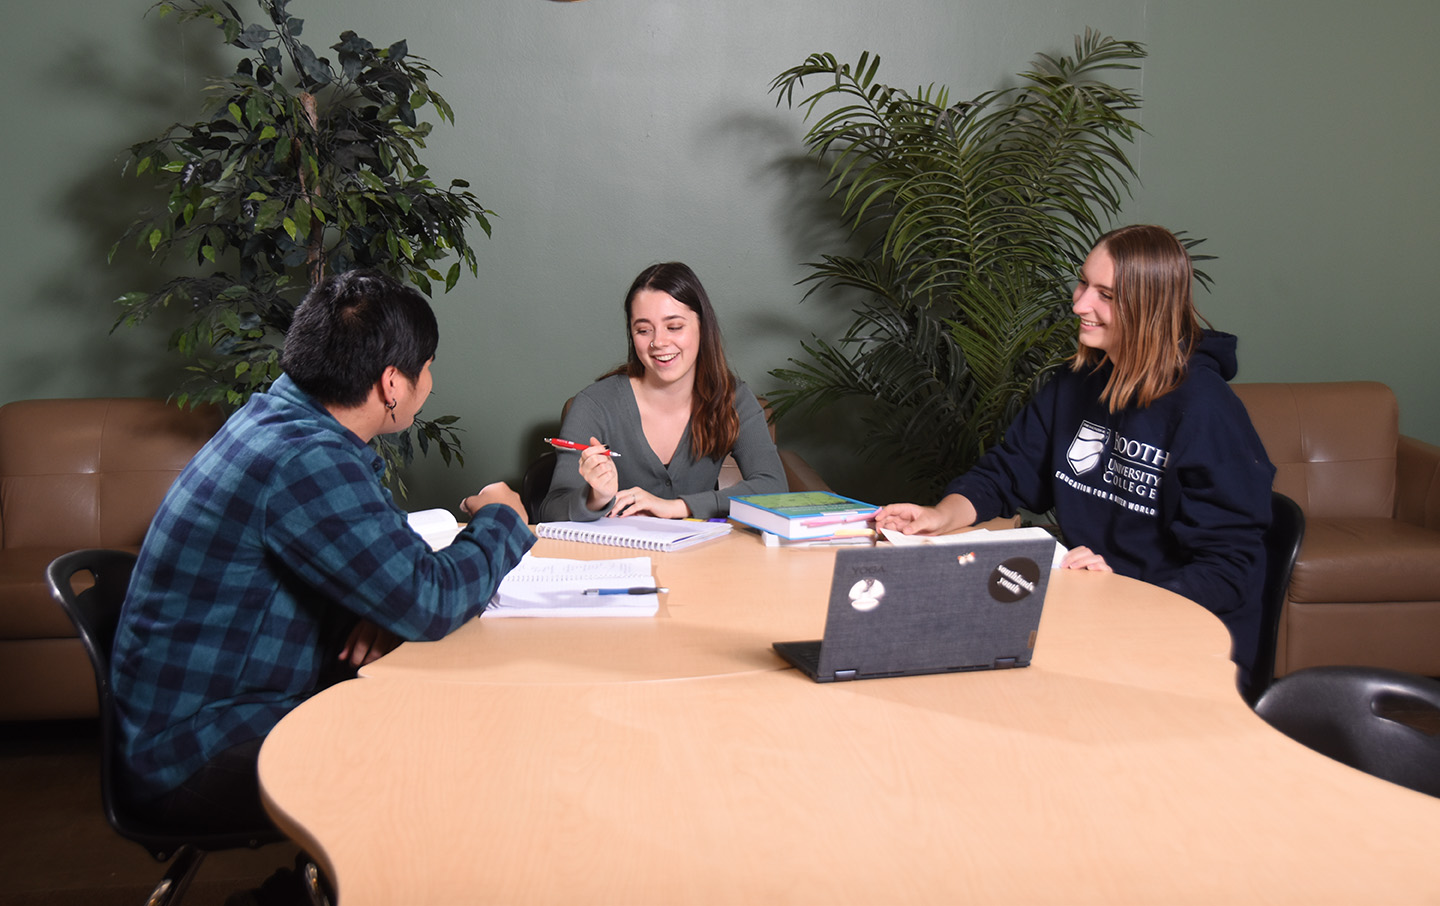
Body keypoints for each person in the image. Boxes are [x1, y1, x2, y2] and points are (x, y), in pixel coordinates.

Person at [112, 269, 535, 833]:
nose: (429, 380)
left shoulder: (279, 420)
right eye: (426, 367)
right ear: (392, 384)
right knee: (451, 758)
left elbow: (394, 568)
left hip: (209, 716)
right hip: (198, 752)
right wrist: (502, 517)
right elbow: (428, 597)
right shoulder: (304, 459)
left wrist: (379, 605)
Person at [875, 225, 1275, 681]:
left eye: (1105, 294)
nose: (1079, 304)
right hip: (1094, 610)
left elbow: (1229, 570)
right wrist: (939, 516)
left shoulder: (1206, 409)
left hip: (1182, 637)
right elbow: (1006, 473)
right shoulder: (1076, 383)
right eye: (1083, 283)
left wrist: (1125, 590)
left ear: (1148, 308)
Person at [538, 262, 787, 522]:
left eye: (674, 327)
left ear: (702, 326)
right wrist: (595, 497)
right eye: (644, 330)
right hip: (617, 557)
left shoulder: (733, 397)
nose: (659, 342)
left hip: (703, 558)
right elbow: (550, 510)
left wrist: (679, 507)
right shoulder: (594, 404)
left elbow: (773, 487)